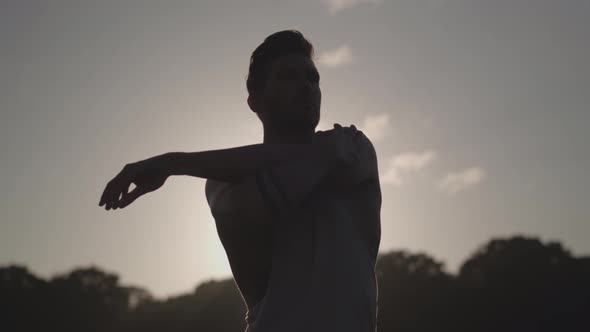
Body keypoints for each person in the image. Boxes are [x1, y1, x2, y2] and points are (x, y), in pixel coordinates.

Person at [98, 30, 381, 332]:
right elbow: (256, 206)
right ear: (254, 100)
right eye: (288, 77)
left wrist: (174, 162)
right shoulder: (222, 184)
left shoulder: (356, 148)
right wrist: (173, 163)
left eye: (313, 78)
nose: (307, 87)